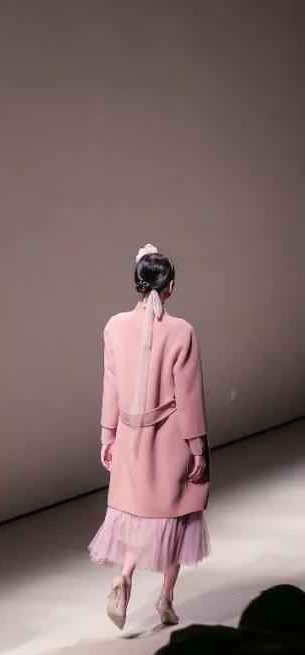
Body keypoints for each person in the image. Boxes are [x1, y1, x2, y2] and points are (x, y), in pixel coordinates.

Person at [89, 245, 211, 629]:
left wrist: (107, 435)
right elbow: (188, 397)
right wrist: (197, 448)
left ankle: (124, 577)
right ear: (170, 286)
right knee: (177, 515)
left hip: (130, 438)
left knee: (139, 512)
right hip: (169, 438)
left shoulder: (114, 326)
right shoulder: (181, 332)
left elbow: (111, 387)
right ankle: (166, 599)